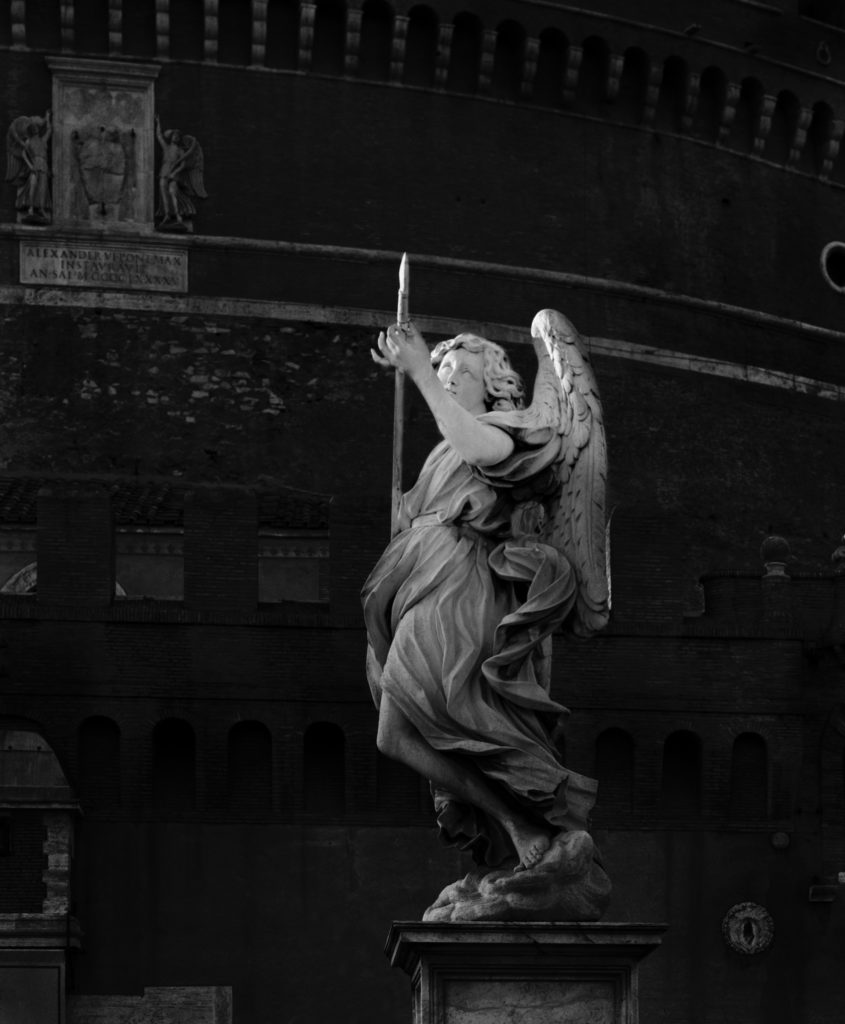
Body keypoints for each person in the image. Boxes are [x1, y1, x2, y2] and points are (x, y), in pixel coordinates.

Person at [364, 321, 599, 873]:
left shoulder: (506, 427)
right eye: (442, 367)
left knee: (398, 731)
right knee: (395, 735)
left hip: (457, 588)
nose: (447, 377)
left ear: (492, 387)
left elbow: (487, 453)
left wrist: (419, 373)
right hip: (421, 580)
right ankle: (511, 821)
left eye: (460, 371)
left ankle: (520, 821)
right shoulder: (441, 454)